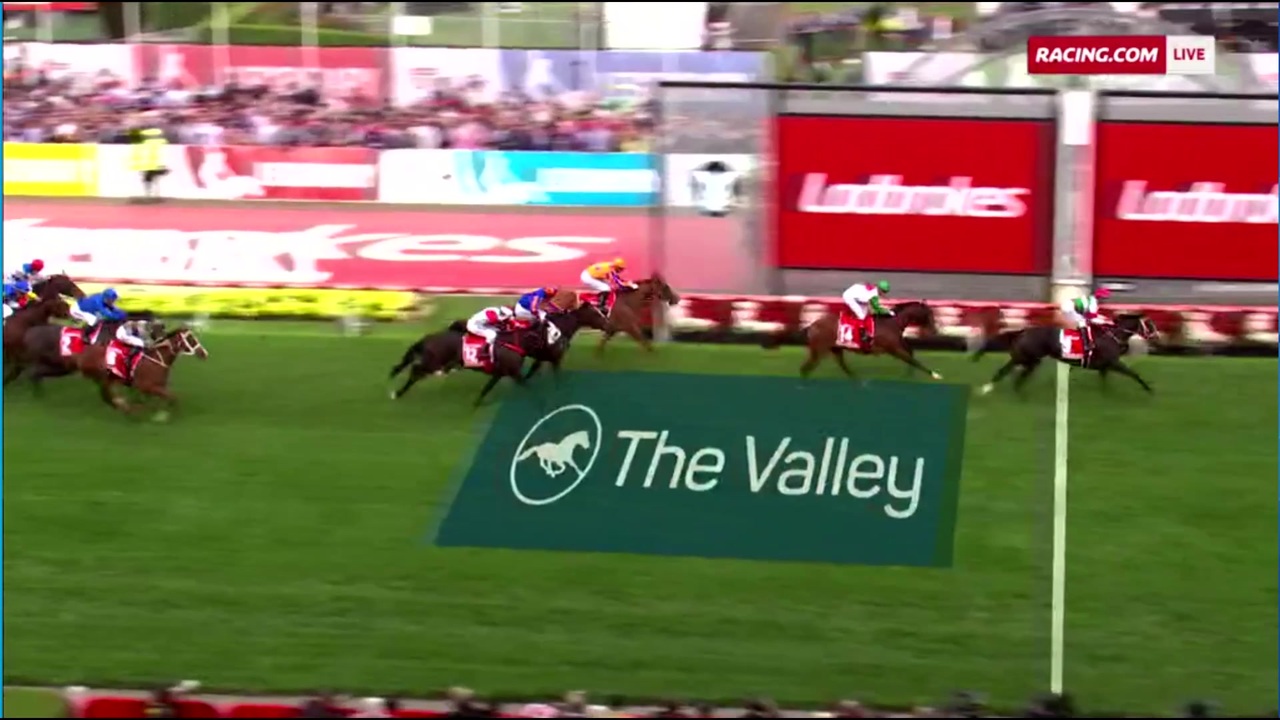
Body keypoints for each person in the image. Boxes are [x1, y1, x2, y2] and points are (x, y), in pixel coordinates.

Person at [1060, 287, 1111, 362]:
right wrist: (1106, 322)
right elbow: (1093, 318)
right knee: (1083, 323)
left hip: (1069, 306)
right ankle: (1086, 345)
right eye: (1103, 298)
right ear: (1100, 296)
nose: (1104, 300)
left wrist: (1105, 319)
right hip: (1068, 308)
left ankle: (1084, 340)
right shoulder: (1093, 303)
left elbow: (1093, 315)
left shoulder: (1092, 300)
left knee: (1084, 321)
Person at [841, 279, 893, 346]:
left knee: (866, 312)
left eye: (885, 292)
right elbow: (876, 309)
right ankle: (862, 334)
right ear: (880, 289)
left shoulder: (875, 290)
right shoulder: (873, 295)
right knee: (861, 315)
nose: (884, 293)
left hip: (857, 292)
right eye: (884, 291)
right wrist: (888, 312)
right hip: (849, 297)